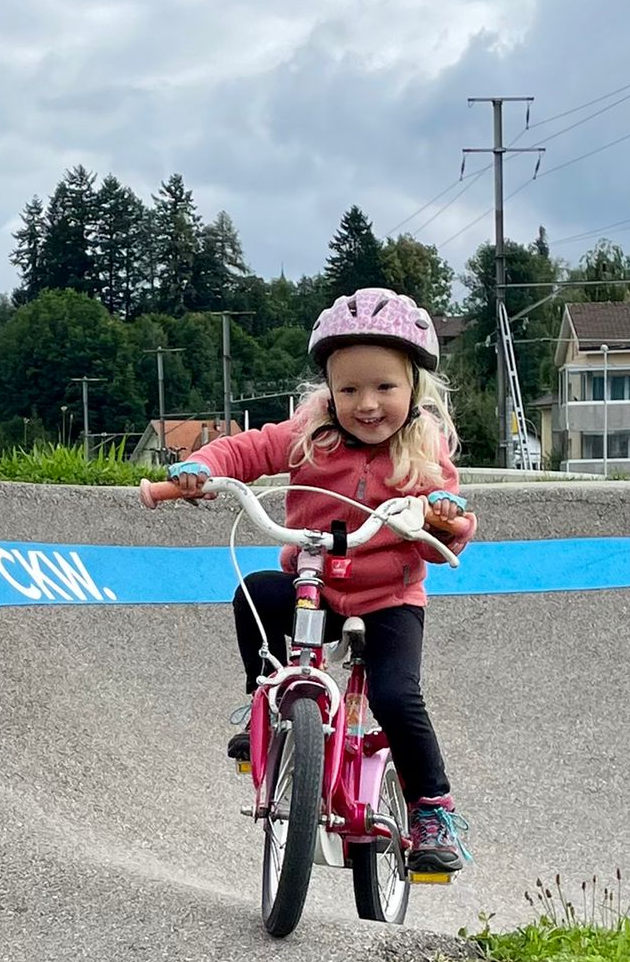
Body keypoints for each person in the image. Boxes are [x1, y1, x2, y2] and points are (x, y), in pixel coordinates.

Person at [167, 286, 477, 874]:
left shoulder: (423, 450)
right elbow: (248, 450)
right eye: (349, 389)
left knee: (395, 694)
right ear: (329, 392)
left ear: (414, 388)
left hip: (388, 598)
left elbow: (449, 526)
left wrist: (443, 518)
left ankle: (432, 809)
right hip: (316, 584)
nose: (367, 404)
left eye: (385, 387)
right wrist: (201, 468)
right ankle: (264, 699)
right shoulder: (311, 435)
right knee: (257, 594)